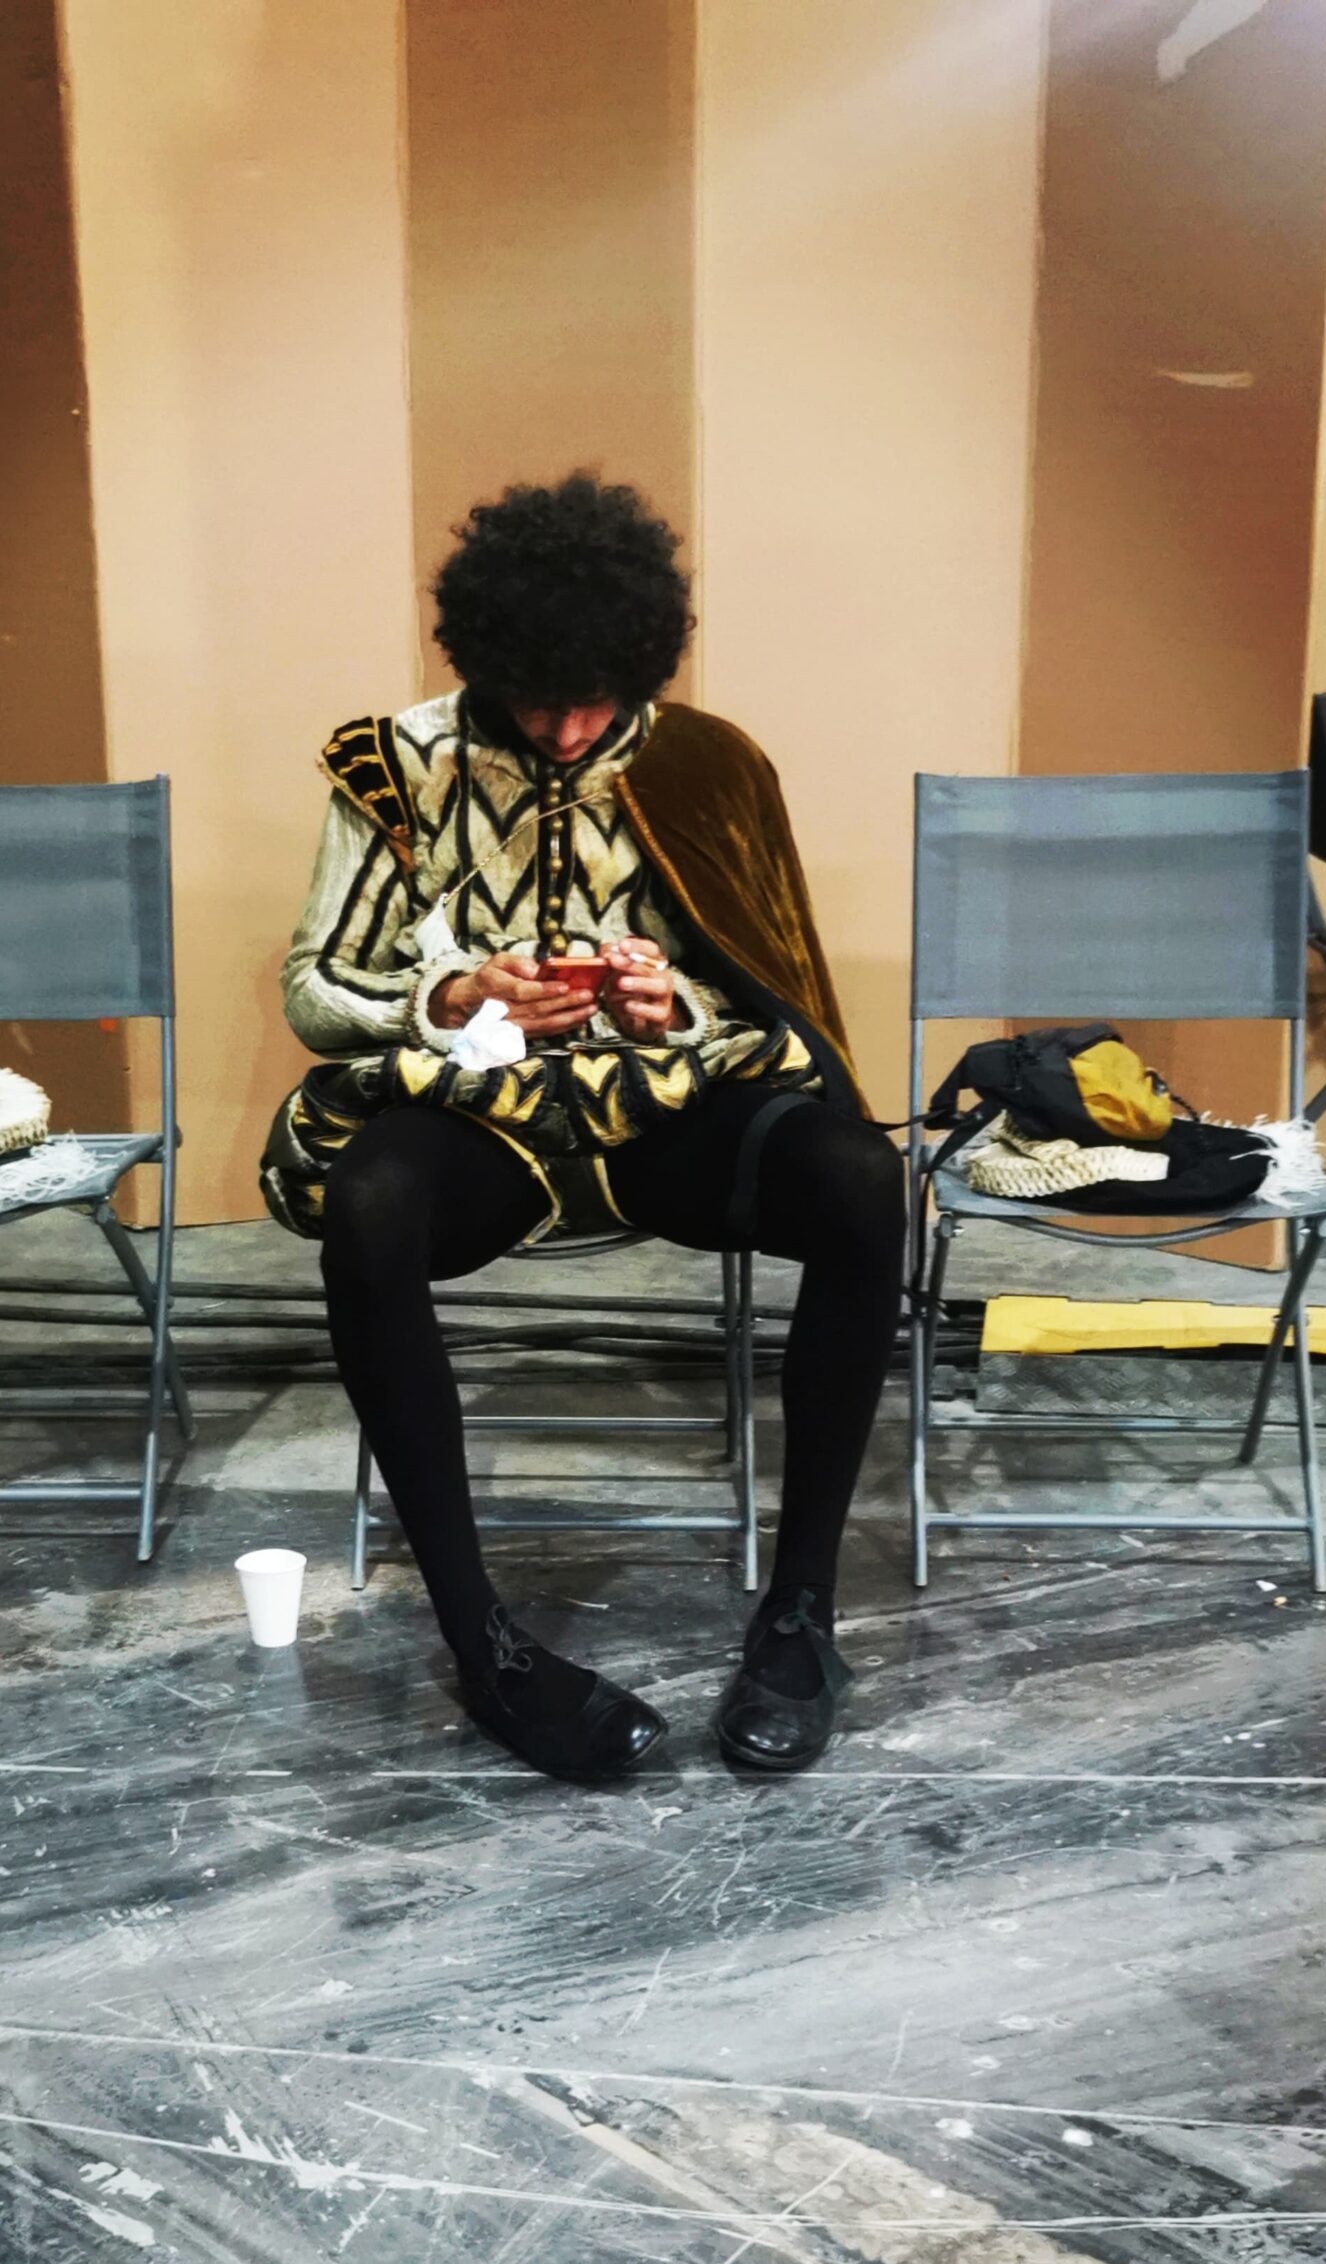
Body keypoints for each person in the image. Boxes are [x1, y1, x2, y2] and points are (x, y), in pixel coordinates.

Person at [262, 474, 904, 1783]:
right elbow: (315, 989)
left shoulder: (707, 763)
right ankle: (484, 1644)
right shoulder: (395, 762)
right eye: (538, 700)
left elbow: (767, 983)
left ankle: (801, 1616)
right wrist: (454, 994)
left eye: (596, 701)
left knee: (859, 1179)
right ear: (484, 661)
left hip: (667, 1121)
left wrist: (675, 1003)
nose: (566, 732)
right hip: (484, 1131)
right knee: (369, 1204)